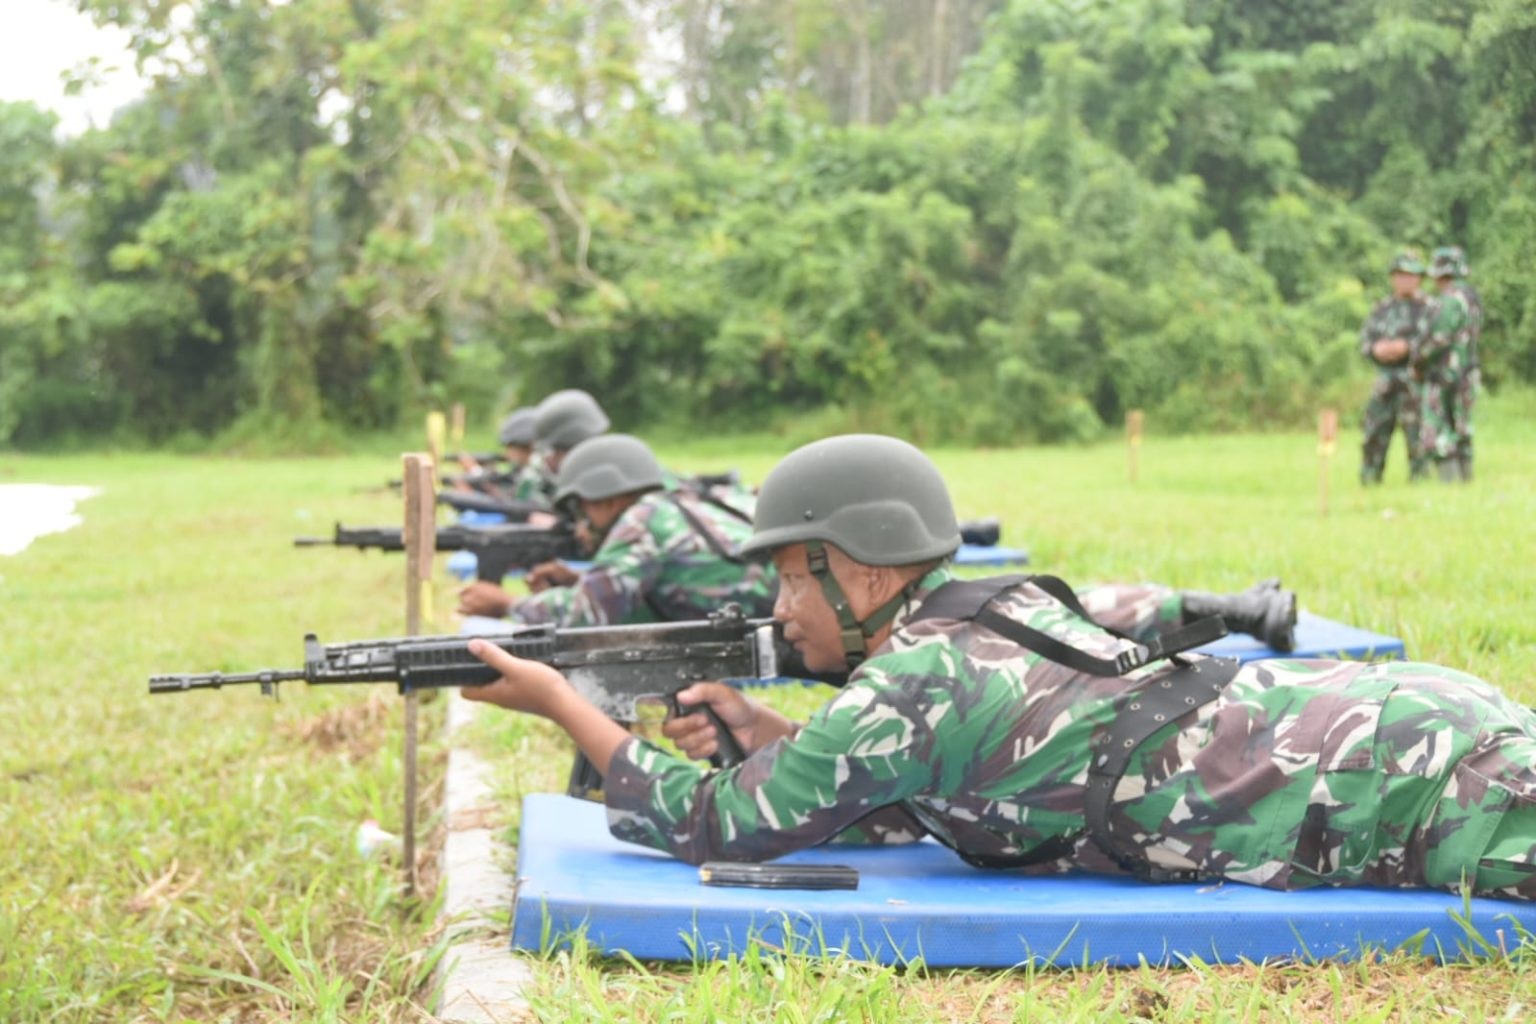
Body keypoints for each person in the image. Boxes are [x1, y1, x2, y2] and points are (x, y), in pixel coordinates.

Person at [464, 434, 1536, 901]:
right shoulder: (983, 610)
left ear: (865, 576)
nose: (781, 609)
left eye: (794, 578)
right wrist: (773, 734)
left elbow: (713, 825)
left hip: (1400, 788)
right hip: (1396, 725)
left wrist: (562, 702)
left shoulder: (906, 685)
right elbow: (927, 785)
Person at [456, 433, 776, 627]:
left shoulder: (642, 520)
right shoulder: (688, 499)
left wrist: (507, 604)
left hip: (770, 626)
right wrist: (580, 580)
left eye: (582, 510)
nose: (581, 525)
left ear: (608, 499)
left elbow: (584, 614)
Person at [1359, 251, 1432, 484]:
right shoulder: (1382, 308)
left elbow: (1435, 341)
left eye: (1410, 275)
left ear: (1419, 278)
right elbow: (1365, 341)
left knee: (1417, 433)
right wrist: (1376, 349)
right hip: (1385, 378)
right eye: (1400, 275)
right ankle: (1370, 477)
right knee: (1374, 431)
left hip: (1415, 378)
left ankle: (1420, 478)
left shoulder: (1428, 307)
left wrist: (1407, 347)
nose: (1405, 280)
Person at [1424, 246, 1484, 481]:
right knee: (1462, 428)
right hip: (1469, 372)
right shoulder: (1472, 298)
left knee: (1439, 429)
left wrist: (1418, 359)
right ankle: (1466, 483)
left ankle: (1450, 486)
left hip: (1446, 373)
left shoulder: (1449, 300)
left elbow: (1438, 339)